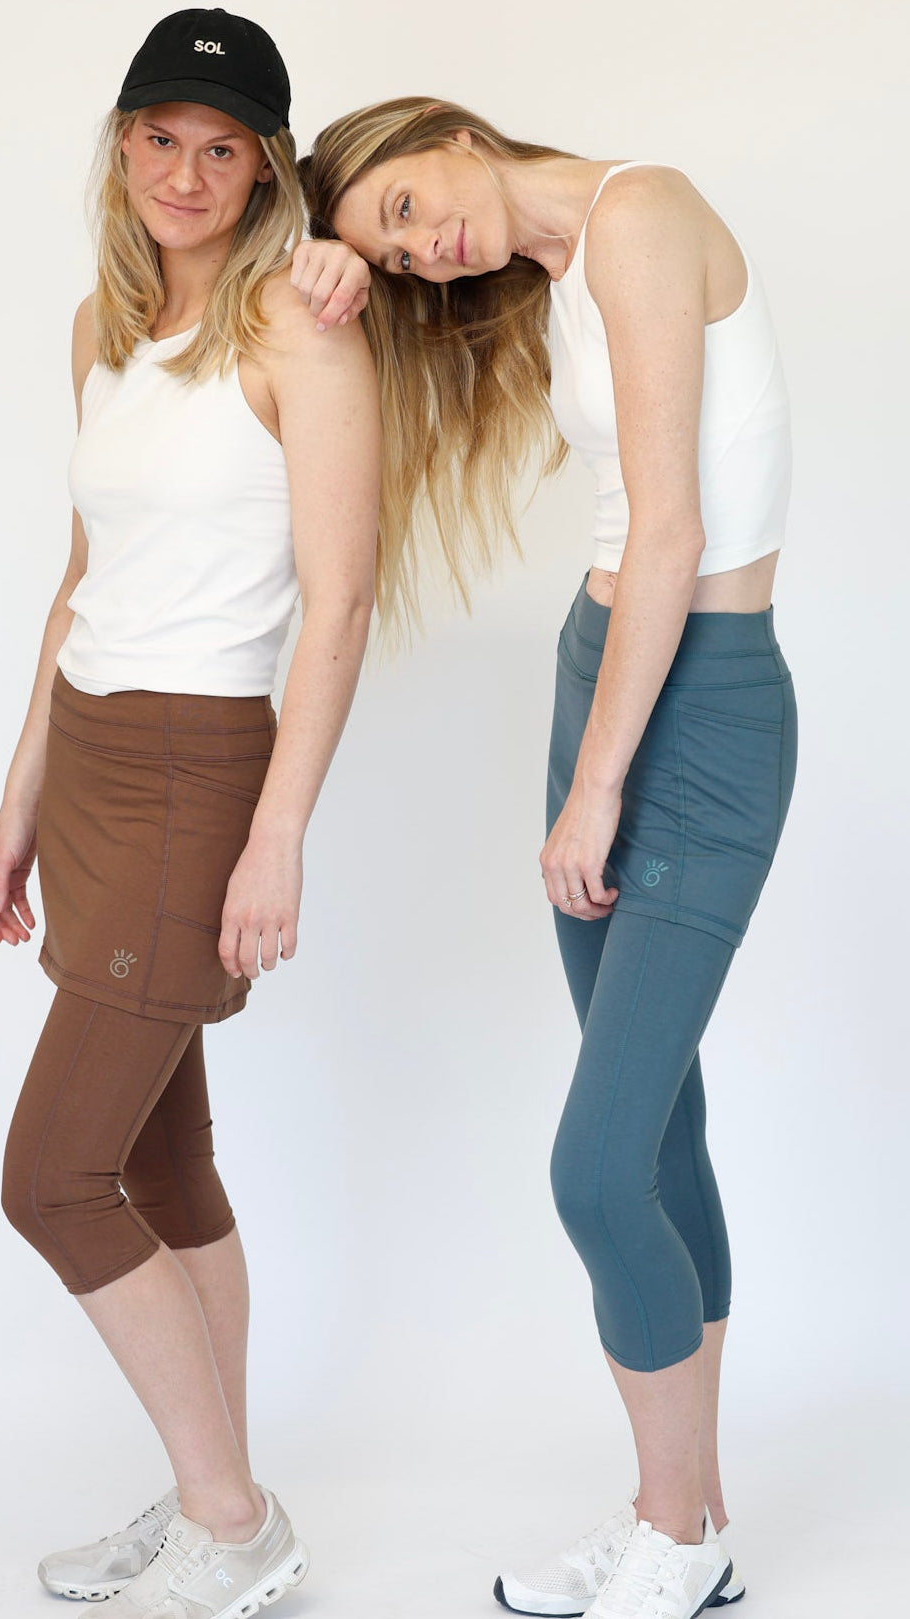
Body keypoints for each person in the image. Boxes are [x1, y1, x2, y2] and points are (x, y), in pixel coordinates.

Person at [295, 98, 797, 1619]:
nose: (422, 245)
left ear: (441, 127)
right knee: (654, 1137)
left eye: (399, 203)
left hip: (696, 714)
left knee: (593, 1171)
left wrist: (594, 793)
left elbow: (671, 528)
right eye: (390, 248)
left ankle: (675, 1530)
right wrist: (312, 274)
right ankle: (684, 1519)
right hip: (610, 671)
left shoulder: (641, 215)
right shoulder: (567, 262)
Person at [0, 12, 379, 1617]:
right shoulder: (102, 324)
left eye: (225, 147)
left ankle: (236, 1524)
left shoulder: (304, 327)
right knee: (163, 1159)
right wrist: (16, 798)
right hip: (85, 754)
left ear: (267, 168)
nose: (187, 172)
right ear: (121, 143)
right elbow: (86, 578)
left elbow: (339, 605)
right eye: (162, 136)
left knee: (51, 1180)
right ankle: (226, 1496)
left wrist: (279, 829)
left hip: (200, 768)